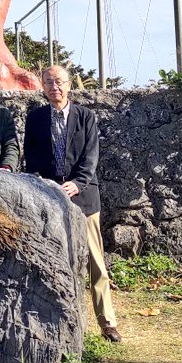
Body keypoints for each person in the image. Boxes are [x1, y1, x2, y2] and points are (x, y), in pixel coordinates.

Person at [23, 64, 122, 342]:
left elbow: (91, 156)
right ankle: (60, 321)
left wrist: (77, 183)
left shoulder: (85, 116)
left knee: (95, 261)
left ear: (69, 86)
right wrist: (46, 185)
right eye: (48, 83)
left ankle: (108, 322)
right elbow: (31, 158)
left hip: (84, 197)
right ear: (42, 87)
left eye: (59, 82)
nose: (54, 87)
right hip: (49, 197)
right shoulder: (35, 119)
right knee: (55, 261)